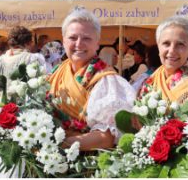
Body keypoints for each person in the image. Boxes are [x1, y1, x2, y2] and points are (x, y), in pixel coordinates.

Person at [47, 8, 135, 152]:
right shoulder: (54, 73)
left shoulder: (107, 81)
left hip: (85, 162)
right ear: (63, 41)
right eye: (73, 38)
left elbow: (106, 137)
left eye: (86, 38)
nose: (79, 44)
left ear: (97, 44)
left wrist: (59, 146)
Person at [0, 26, 46, 107]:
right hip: (24, 110)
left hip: (0, 110)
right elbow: (42, 85)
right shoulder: (33, 58)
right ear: (29, 43)